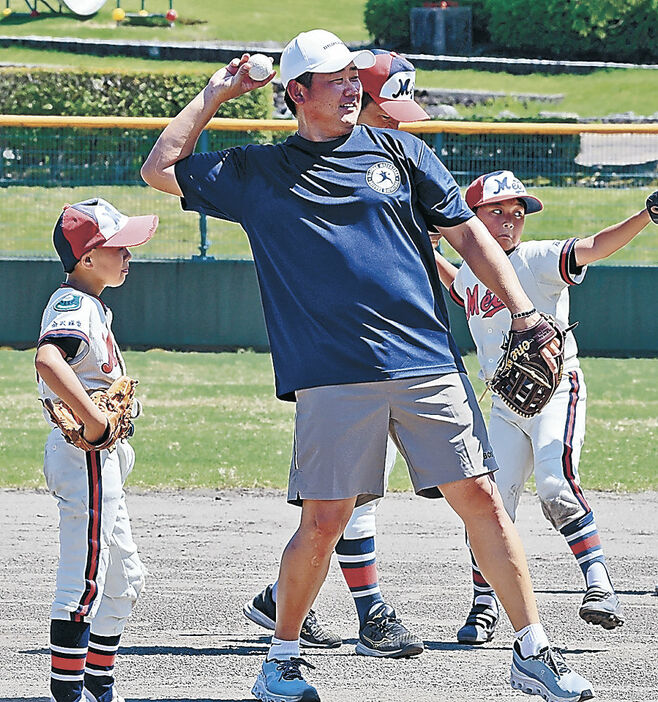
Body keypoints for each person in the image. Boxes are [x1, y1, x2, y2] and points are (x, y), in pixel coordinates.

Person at [141, 29, 594, 702]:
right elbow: (159, 168)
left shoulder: (399, 150)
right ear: (296, 93)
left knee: (485, 505)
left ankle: (533, 653)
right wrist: (217, 92)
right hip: (332, 373)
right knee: (324, 522)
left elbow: (468, 235)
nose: (352, 86)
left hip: (425, 361)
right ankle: (282, 660)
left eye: (355, 75)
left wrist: (525, 311)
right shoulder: (257, 173)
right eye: (335, 79)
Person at [242, 49, 429, 660]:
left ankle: (284, 597)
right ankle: (369, 611)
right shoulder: (308, 166)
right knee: (347, 496)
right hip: (339, 354)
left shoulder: (389, 161)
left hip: (397, 343)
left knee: (352, 496)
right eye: (386, 109)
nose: (397, 124)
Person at [433, 171, 656, 645]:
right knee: (492, 505)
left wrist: (644, 216)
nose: (510, 221)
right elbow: (459, 285)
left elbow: (593, 247)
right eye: (497, 211)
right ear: (469, 219)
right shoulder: (474, 270)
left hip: (556, 391)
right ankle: (483, 604)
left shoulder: (536, 258)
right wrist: (420, 241)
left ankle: (599, 582)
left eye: (517, 213)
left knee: (555, 483)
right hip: (505, 405)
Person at [35, 198, 157, 702]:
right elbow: (47, 358)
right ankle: (67, 694)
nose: (128, 254)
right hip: (83, 454)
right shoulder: (72, 305)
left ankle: (97, 687)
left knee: (125, 578)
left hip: (100, 458)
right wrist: (93, 418)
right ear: (86, 258)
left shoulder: (92, 304)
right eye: (118, 246)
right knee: (85, 579)